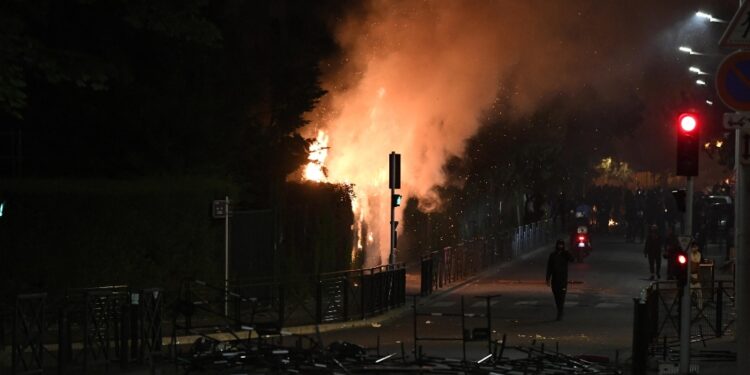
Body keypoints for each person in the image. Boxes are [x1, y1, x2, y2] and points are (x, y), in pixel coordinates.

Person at [546, 239, 574, 320]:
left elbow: (572, 259)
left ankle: (560, 313)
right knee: (556, 296)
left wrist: (567, 252)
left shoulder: (565, 255)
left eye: (562, 245)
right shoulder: (552, 255)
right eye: (559, 245)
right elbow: (549, 267)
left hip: (563, 279)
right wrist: (547, 278)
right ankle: (559, 310)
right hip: (555, 279)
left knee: (562, 297)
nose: (560, 246)